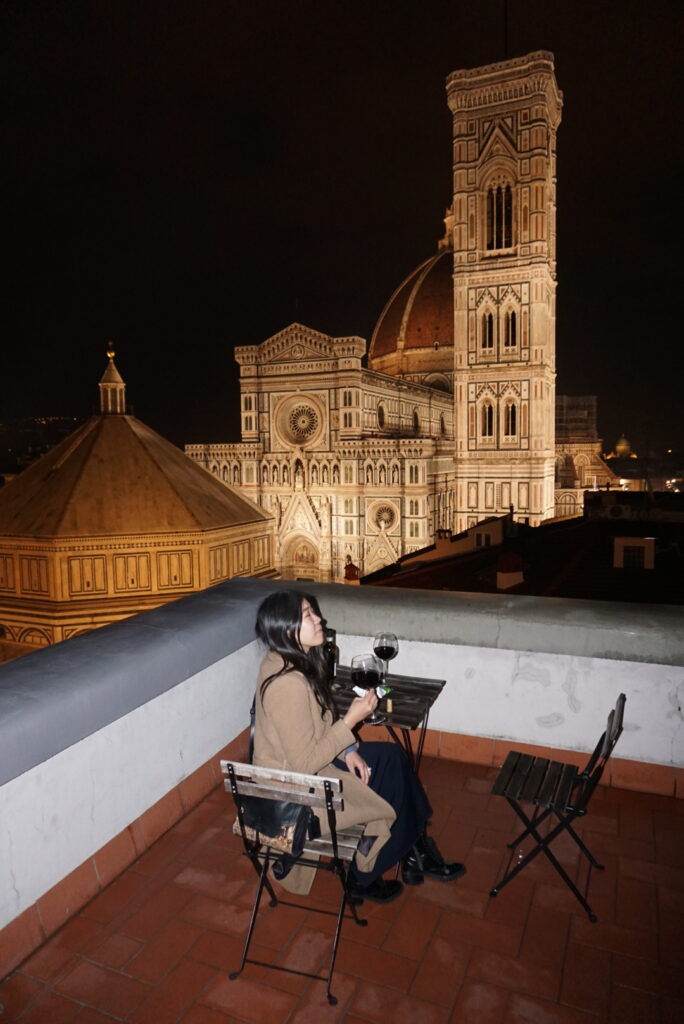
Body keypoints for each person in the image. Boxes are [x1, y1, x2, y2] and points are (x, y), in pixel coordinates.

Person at [252, 589, 466, 904]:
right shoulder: (287, 685)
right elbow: (303, 764)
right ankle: (367, 875)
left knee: (391, 758)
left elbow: (319, 725)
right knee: (392, 791)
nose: (318, 619)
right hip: (297, 797)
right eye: (308, 615)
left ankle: (414, 848)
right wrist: (351, 720)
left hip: (309, 769)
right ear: (287, 630)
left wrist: (349, 751)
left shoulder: (287, 660)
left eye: (314, 611)